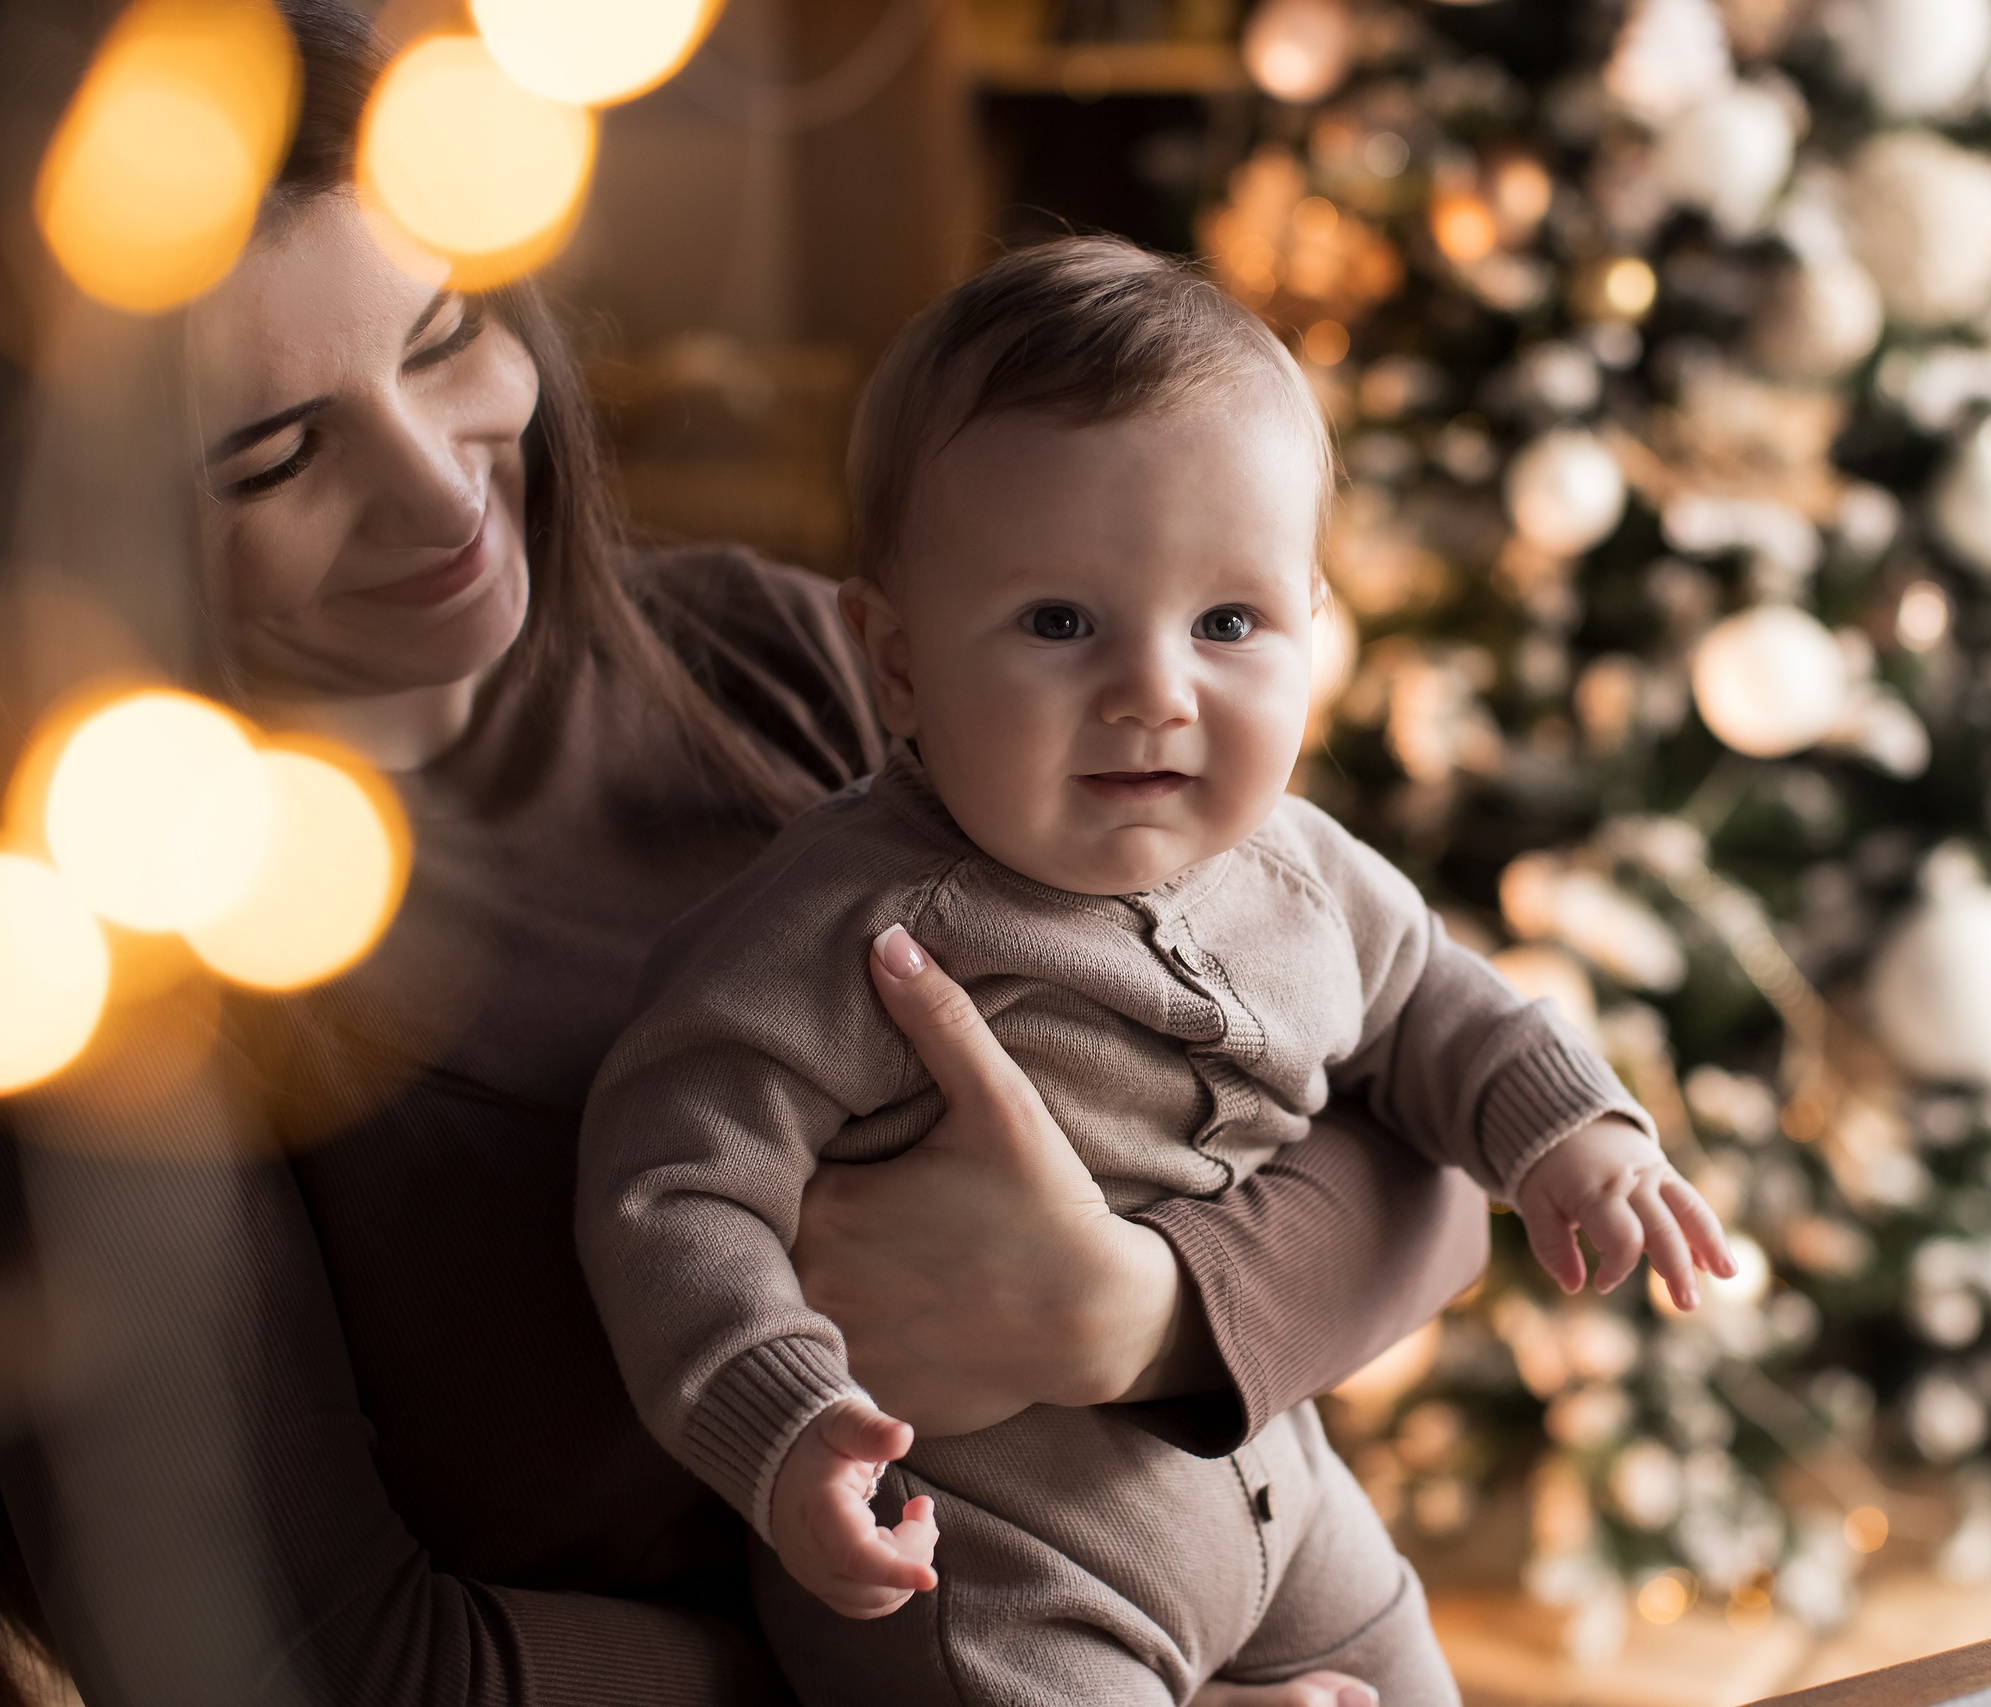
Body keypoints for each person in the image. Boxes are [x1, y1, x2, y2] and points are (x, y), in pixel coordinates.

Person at [0, 7, 1488, 1705]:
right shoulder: (91, 988)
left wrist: (1135, 1313)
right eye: (270, 455)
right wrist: (1004, 1674)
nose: (439, 499)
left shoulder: (784, 661)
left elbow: (1424, 1168)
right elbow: (334, 1679)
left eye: (445, 338)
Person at [576, 240, 1739, 1706]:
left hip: (1277, 1501)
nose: (1154, 691)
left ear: (1314, 624)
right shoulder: (847, 930)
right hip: (994, 1565)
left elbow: (1436, 1000)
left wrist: (1575, 1132)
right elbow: (673, 1186)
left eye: (1229, 623)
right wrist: (789, 1420)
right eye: (1060, 623)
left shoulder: (1303, 870)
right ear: (898, 659)